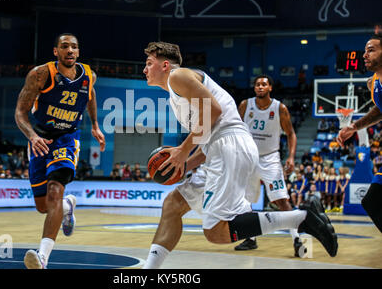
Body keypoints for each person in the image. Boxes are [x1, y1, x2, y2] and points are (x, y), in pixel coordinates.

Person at [141, 41, 337, 269]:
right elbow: (207, 136)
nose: (145, 69)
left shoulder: (178, 76)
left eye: (149, 63)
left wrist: (183, 151)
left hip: (230, 146)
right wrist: (184, 164)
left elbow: (214, 111)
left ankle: (302, 217)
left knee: (216, 232)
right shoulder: (176, 95)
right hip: (222, 148)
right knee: (173, 205)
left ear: (165, 65)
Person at [14, 33, 106, 269]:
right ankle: (68, 207)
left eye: (74, 47)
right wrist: (32, 136)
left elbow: (90, 96)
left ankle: (43, 258)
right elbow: (20, 113)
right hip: (40, 138)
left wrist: (95, 125)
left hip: (67, 138)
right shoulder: (40, 74)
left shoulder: (88, 76)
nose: (70, 51)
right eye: (64, 46)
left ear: (78, 51)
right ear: (56, 51)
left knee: (55, 190)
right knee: (43, 206)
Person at [235, 75, 303, 256]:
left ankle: (297, 239)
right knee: (245, 201)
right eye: (257, 84)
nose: (260, 87)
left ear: (270, 88)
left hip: (270, 159)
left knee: (281, 200)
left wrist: (291, 157)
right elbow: (234, 129)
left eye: (264, 84)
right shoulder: (244, 105)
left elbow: (291, 133)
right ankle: (250, 238)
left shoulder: (279, 108)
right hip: (248, 158)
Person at [337, 34, 382, 232]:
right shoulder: (373, 84)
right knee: (372, 201)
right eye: (365, 50)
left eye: (371, 50)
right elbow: (380, 110)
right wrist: (354, 127)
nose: (365, 55)